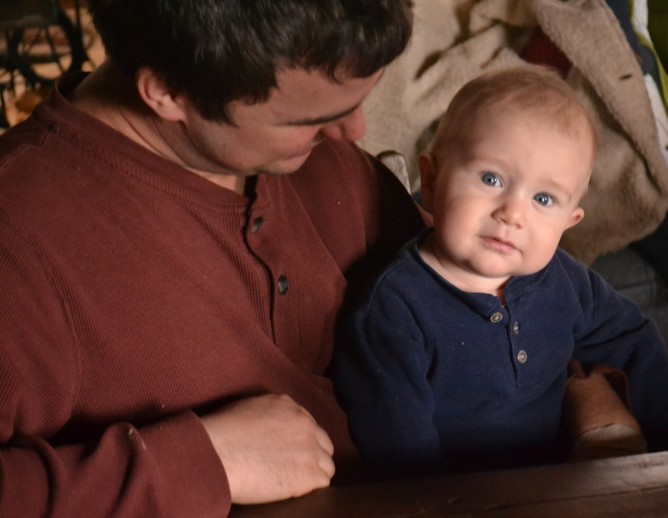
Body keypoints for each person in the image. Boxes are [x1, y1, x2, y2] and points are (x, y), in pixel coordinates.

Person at [0, 1, 427, 516]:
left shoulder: (316, 162)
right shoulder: (18, 243)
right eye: (309, 119)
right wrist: (204, 463)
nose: (354, 131)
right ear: (168, 93)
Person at [331, 66, 668, 477]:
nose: (512, 214)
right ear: (431, 180)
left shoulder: (566, 280)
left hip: (556, 484)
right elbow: (402, 454)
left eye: (544, 199)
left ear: (570, 222)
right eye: (491, 179)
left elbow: (632, 341)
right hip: (458, 493)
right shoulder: (394, 311)